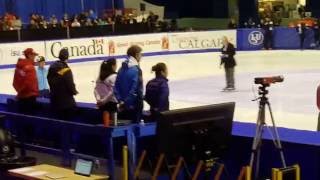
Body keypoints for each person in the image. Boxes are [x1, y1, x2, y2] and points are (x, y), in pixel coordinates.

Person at [114, 45, 144, 123]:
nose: (141, 56)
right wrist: (127, 102)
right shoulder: (137, 69)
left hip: (122, 104)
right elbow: (136, 89)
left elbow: (116, 87)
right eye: (141, 54)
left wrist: (120, 101)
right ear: (136, 55)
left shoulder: (121, 68)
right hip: (134, 105)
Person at [47, 48, 78, 120]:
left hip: (54, 101)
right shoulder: (66, 69)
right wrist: (74, 91)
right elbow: (70, 85)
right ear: (67, 57)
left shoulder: (51, 67)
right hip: (66, 103)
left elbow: (49, 80)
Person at [13, 48, 39, 114]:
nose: (34, 57)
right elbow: (30, 84)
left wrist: (20, 92)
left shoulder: (18, 67)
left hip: (21, 98)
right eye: (33, 55)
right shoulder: (30, 67)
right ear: (29, 55)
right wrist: (34, 93)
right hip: (29, 99)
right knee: (31, 121)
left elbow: (14, 83)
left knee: (23, 120)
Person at [94, 59, 118, 125]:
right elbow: (113, 91)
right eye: (116, 65)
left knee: (105, 124)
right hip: (111, 104)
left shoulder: (99, 77)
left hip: (102, 104)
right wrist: (104, 100)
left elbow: (95, 90)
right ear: (113, 66)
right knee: (113, 124)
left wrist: (99, 99)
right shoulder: (113, 77)